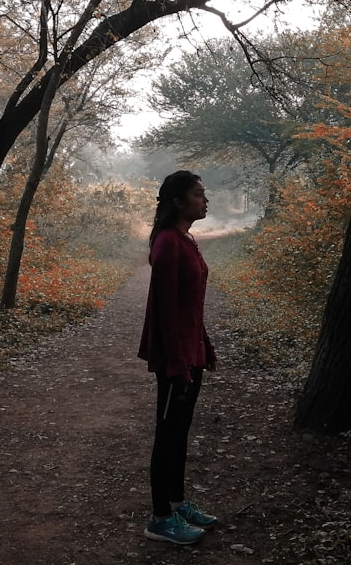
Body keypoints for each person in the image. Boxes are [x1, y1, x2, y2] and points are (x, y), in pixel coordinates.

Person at [137, 170, 218, 545]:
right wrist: (177, 362)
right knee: (167, 436)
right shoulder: (168, 243)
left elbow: (190, 306)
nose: (205, 200)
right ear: (179, 202)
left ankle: (177, 503)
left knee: (180, 434)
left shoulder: (186, 239)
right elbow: (166, 310)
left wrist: (203, 344)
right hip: (176, 359)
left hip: (190, 353)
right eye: (199, 195)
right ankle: (159, 518)